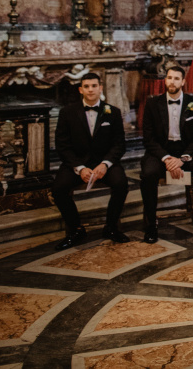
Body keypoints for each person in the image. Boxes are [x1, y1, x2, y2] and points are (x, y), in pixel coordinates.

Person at [51, 72, 129, 250]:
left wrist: (105, 164)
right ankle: (76, 229)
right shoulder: (67, 113)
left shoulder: (113, 112)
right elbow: (62, 146)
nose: (90, 89)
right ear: (81, 90)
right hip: (77, 163)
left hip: (105, 163)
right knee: (58, 189)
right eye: (86, 86)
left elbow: (119, 145)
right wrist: (79, 168)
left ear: (100, 88)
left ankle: (110, 227)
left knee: (121, 184)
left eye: (94, 86)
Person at [141, 66, 193, 242]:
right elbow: (148, 138)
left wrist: (182, 159)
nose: (172, 81)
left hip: (186, 153)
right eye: (169, 78)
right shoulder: (153, 104)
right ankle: (151, 222)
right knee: (148, 174)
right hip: (160, 153)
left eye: (176, 78)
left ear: (183, 82)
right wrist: (167, 159)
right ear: (165, 80)